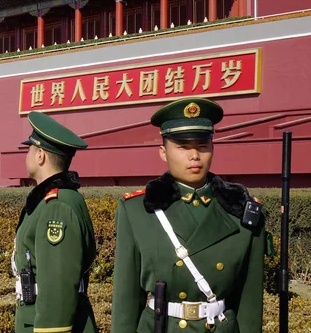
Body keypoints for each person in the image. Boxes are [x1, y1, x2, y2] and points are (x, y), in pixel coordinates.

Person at [111, 98, 267, 333]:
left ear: (213, 148)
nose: (194, 155)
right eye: (183, 147)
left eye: (203, 145)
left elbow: (250, 300)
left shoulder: (242, 211)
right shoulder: (137, 210)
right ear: (163, 152)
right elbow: (126, 298)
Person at [13, 111, 97, 333]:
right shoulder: (48, 201)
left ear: (40, 155)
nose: (27, 155)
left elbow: (58, 288)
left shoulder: (57, 207)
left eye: (30, 149)